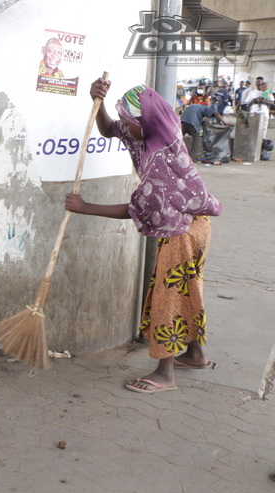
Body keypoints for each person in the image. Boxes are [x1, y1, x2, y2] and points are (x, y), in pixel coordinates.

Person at [65, 79, 223, 394]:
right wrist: (99, 102)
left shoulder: (161, 164)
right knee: (188, 288)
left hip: (183, 233)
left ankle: (165, 373)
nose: (124, 125)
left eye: (128, 120)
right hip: (194, 223)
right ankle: (194, 354)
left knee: (169, 295)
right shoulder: (153, 130)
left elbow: (138, 208)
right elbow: (109, 129)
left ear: (141, 122)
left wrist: (86, 207)